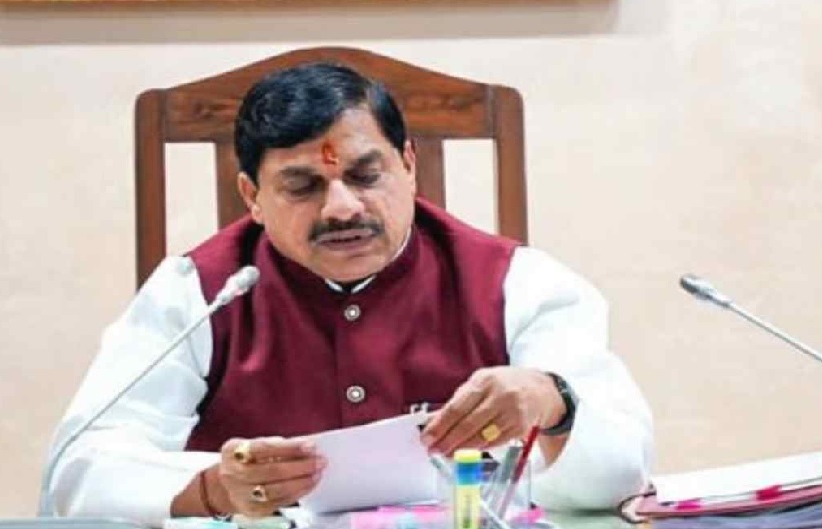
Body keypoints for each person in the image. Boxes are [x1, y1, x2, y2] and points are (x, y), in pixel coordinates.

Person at [46, 62, 653, 527]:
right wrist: (213, 488)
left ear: (408, 166)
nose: (342, 208)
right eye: (302, 186)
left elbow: (622, 471)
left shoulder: (517, 281)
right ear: (252, 197)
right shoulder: (199, 292)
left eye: (365, 175)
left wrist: (554, 402)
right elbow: (78, 470)